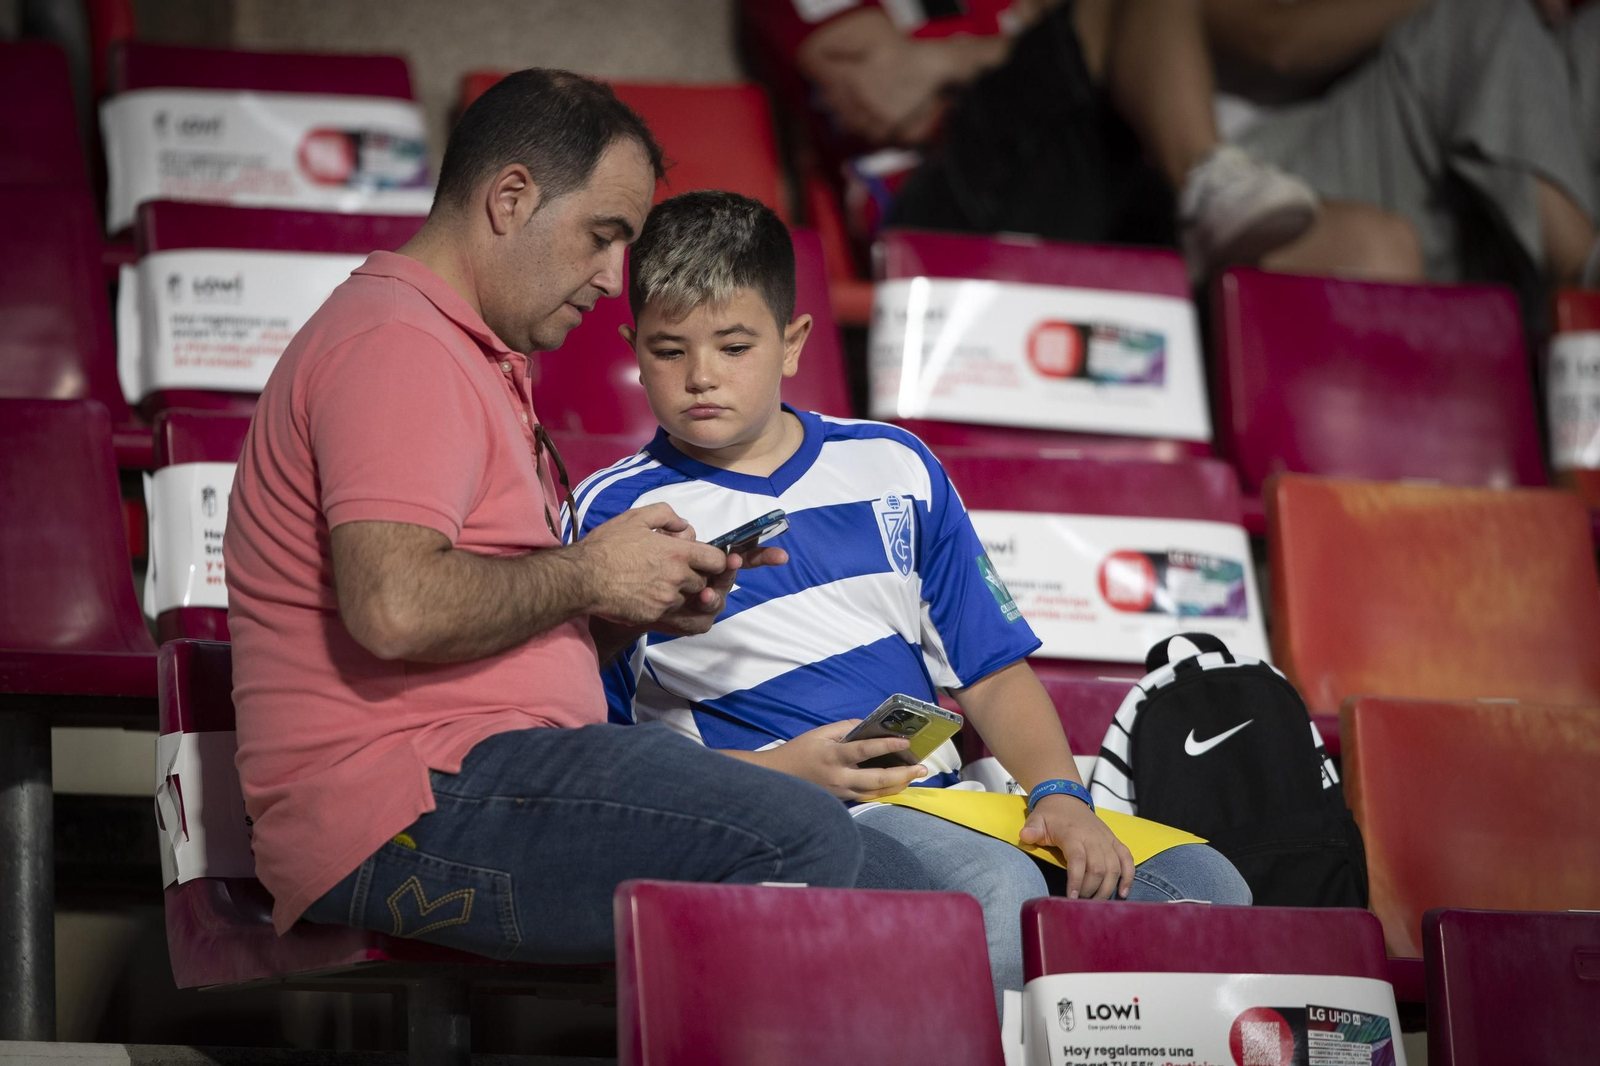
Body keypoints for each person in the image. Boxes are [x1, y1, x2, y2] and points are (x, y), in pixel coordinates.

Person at [222, 70, 908, 964]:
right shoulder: (397, 344)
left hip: (477, 776)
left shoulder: (459, 350)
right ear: (510, 198)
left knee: (913, 884)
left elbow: (479, 621)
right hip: (402, 809)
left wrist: (622, 614)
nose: (613, 277)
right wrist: (590, 572)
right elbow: (394, 607)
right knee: (802, 839)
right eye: (601, 235)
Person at [569, 190, 1252, 1006]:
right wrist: (777, 774)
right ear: (633, 351)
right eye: (670, 349)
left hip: (948, 804)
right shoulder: (609, 513)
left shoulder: (895, 464)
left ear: (792, 345)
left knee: (1204, 884)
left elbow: (994, 673)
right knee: (993, 889)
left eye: (734, 344)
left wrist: (1062, 797)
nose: (702, 375)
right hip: (772, 819)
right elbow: (597, 755)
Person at [744, 0, 1421, 280]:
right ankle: (1208, 176)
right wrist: (1001, 45)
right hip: (937, 217)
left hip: (1082, 194)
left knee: (1379, 250)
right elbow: (882, 103)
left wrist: (938, 61)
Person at [1203, 0, 1597, 287]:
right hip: (1268, 160)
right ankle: (1583, 276)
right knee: (1486, 19)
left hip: (1439, 178)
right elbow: (1276, 41)